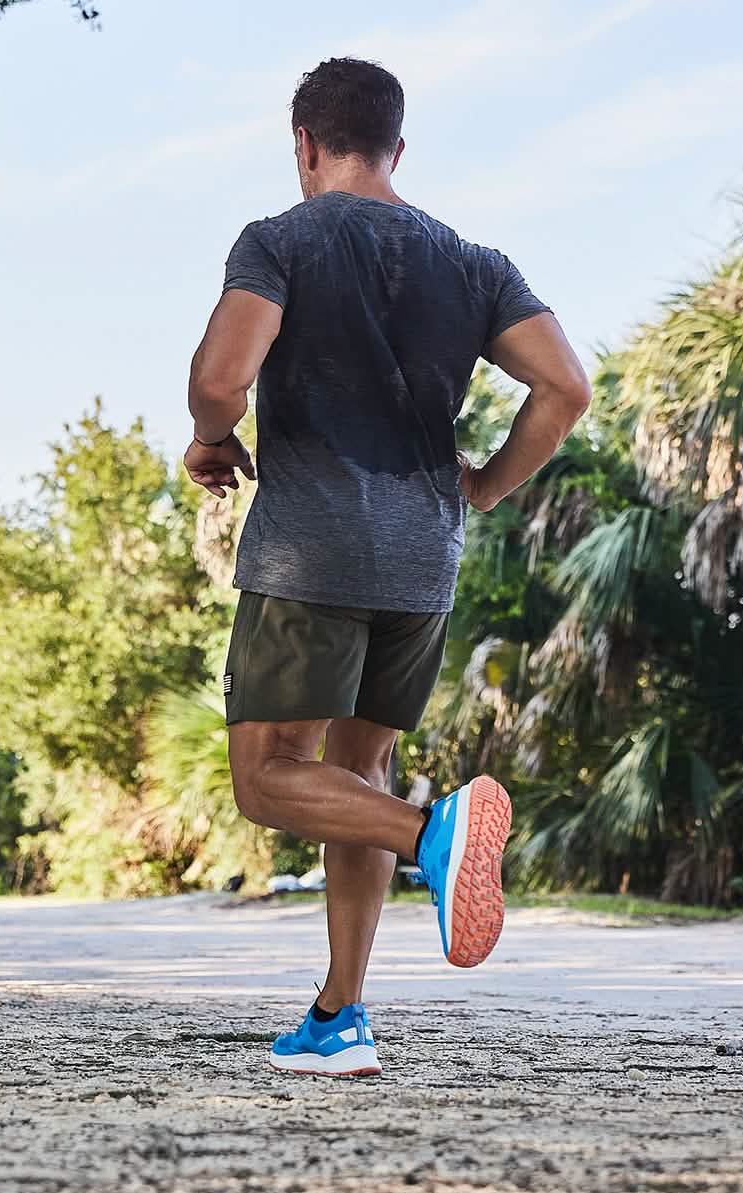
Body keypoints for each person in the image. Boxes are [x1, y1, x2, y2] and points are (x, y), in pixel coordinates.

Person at [184, 57, 590, 1077]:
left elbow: (222, 375)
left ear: (305, 147)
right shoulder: (473, 261)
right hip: (423, 560)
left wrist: (208, 436)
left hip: (311, 551)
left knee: (271, 778)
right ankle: (341, 1014)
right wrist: (487, 486)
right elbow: (564, 389)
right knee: (350, 775)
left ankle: (433, 833)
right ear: (397, 148)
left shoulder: (279, 239)